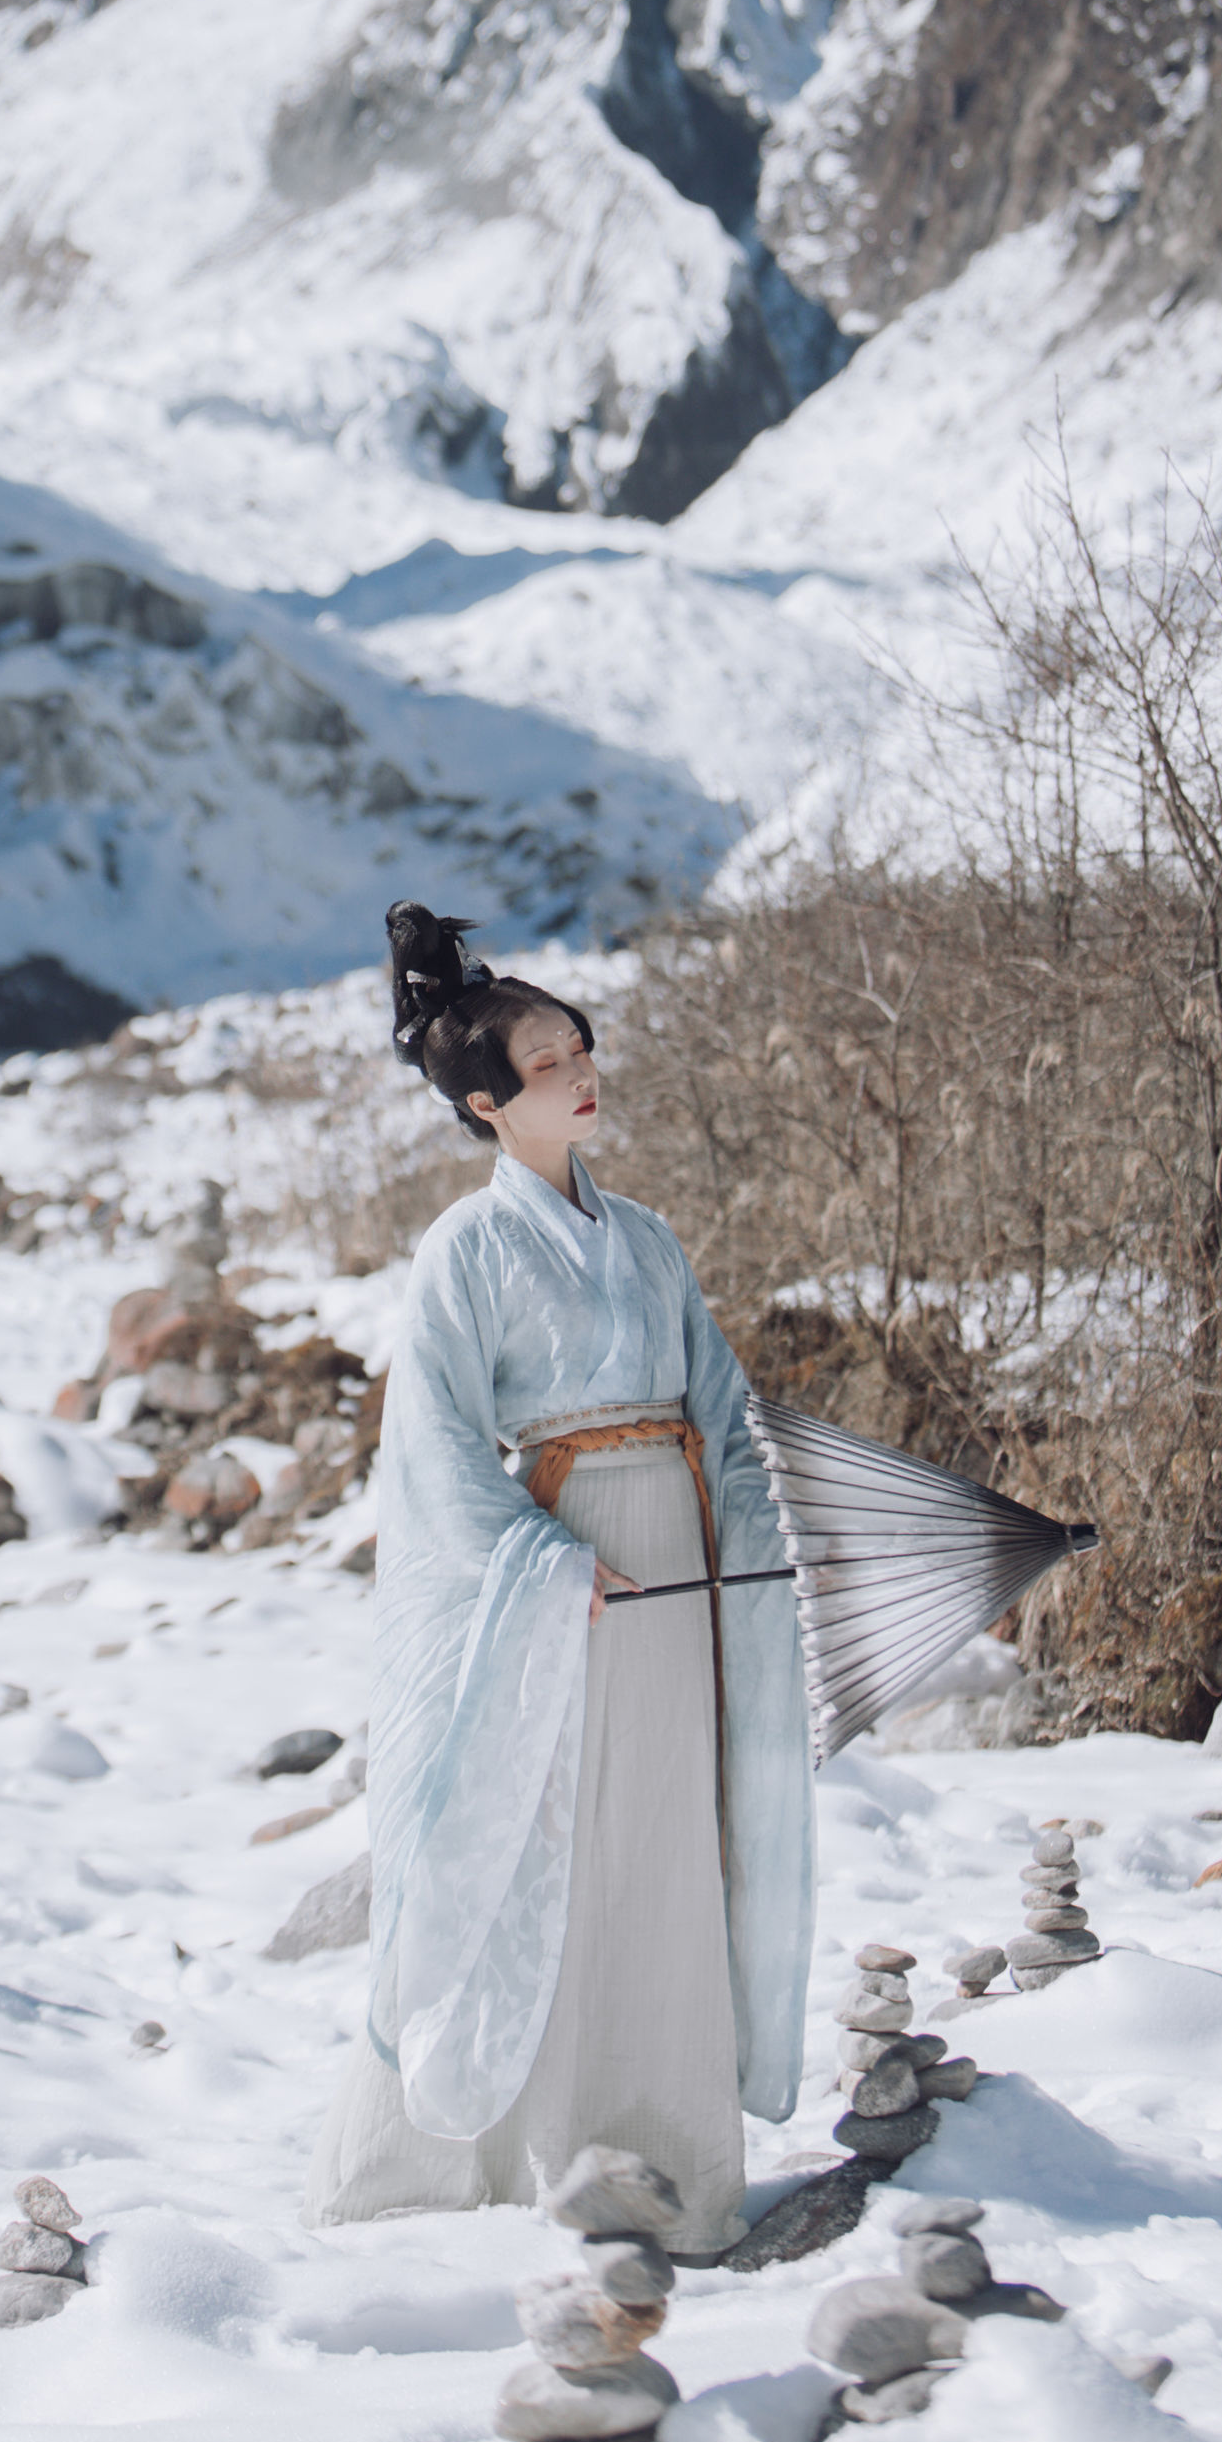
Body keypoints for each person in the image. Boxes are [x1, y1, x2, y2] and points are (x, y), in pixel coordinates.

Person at [303, 904, 813, 2240]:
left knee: (660, 1834)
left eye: (582, 1048)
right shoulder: (463, 1253)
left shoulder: (646, 1239)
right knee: (550, 1844)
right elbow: (432, 1450)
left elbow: (724, 1401)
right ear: (485, 1104)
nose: (582, 1074)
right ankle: (511, 2150)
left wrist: (762, 1527)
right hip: (557, 1574)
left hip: (675, 1559)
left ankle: (670, 2152)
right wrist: (540, 1562)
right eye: (546, 1064)